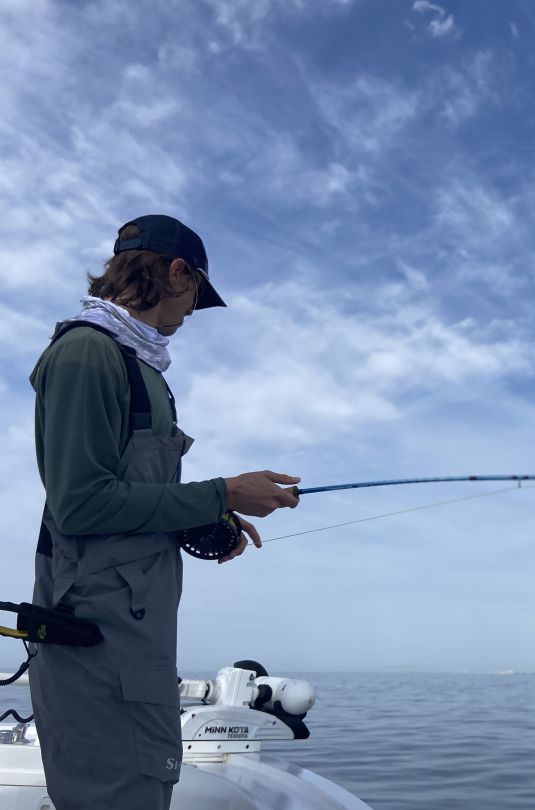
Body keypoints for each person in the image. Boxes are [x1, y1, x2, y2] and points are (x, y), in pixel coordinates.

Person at [28, 214, 301, 810]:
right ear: (178, 272)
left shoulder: (141, 368)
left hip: (135, 643)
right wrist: (223, 493)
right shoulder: (85, 355)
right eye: (197, 295)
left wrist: (198, 520)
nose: (190, 313)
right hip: (96, 648)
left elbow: (124, 500)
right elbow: (79, 503)